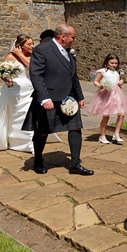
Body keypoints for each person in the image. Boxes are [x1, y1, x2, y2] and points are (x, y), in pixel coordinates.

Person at [22, 24, 92, 176]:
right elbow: (36, 75)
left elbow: (73, 76)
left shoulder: (69, 52)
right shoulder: (42, 50)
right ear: (63, 37)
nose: (74, 40)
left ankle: (75, 164)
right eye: (73, 37)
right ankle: (38, 161)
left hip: (69, 99)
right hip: (49, 99)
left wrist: (80, 96)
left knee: (75, 128)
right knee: (42, 131)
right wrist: (44, 97)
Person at [88, 53, 127, 144]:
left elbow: (121, 79)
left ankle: (116, 133)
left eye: (116, 63)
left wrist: (121, 81)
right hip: (106, 94)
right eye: (112, 63)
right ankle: (102, 136)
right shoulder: (102, 71)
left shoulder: (118, 71)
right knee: (106, 115)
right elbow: (95, 81)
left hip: (117, 93)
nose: (114, 65)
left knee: (121, 113)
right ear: (107, 63)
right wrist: (101, 86)